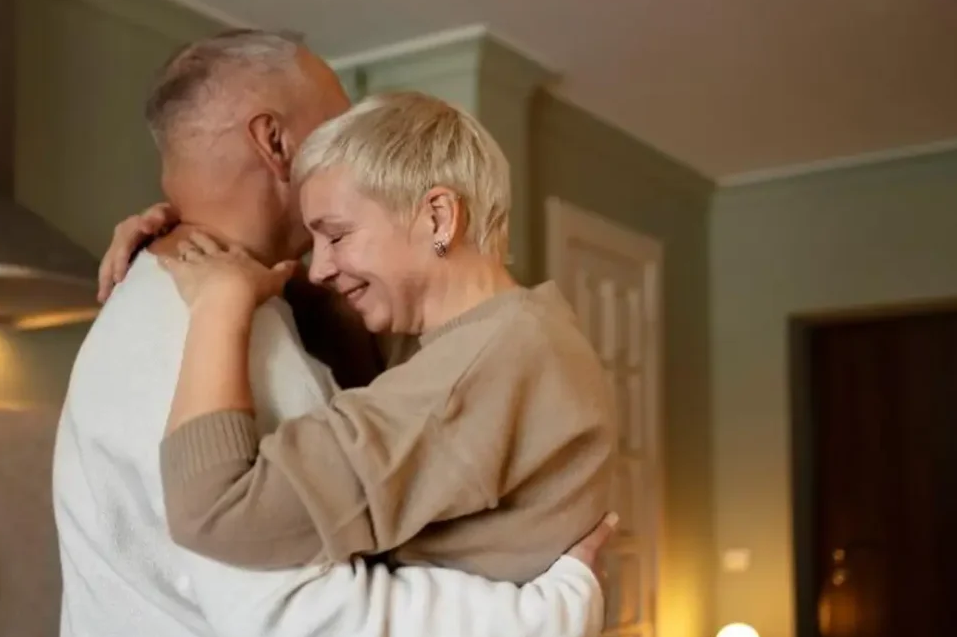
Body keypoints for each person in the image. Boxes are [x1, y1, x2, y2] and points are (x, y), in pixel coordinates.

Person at [52, 29, 612, 637]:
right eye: (336, 122)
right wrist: (561, 615)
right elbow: (314, 619)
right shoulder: (212, 328)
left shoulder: (208, 307)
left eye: (338, 235)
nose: (323, 265)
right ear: (277, 144)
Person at [149, 91, 614, 586]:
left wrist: (219, 303)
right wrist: (175, 230)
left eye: (338, 235)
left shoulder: (480, 366)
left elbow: (217, 513)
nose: (321, 267)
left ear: (438, 218)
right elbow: (322, 310)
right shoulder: (514, 334)